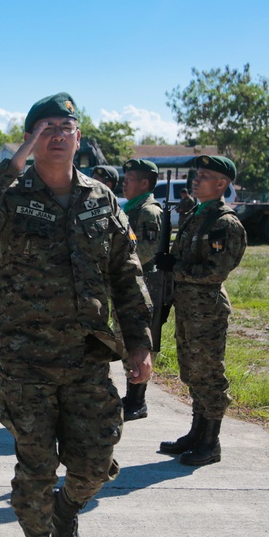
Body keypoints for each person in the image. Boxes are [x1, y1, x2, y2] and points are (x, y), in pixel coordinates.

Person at [0, 92, 152, 537]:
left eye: (66, 125)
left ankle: (67, 513)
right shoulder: (9, 194)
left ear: (79, 137)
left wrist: (140, 343)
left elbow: (126, 274)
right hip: (23, 361)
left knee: (93, 464)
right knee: (36, 469)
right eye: (45, 127)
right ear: (30, 138)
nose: (57, 135)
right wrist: (13, 161)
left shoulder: (101, 199)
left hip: (88, 357)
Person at [156, 155, 246, 467]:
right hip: (188, 307)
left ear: (221, 184)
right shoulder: (198, 214)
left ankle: (211, 442)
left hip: (206, 311)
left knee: (209, 374)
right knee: (193, 371)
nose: (196, 180)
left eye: (204, 176)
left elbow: (215, 271)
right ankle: (196, 433)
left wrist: (175, 267)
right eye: (197, 174)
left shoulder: (223, 223)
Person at [120, 158, 163, 421]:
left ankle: (138, 402)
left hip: (143, 283)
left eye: (130, 179)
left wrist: (120, 262)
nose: (124, 183)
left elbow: (146, 251)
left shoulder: (148, 212)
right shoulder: (132, 209)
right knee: (126, 340)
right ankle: (131, 396)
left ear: (145, 183)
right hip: (131, 282)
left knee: (139, 341)